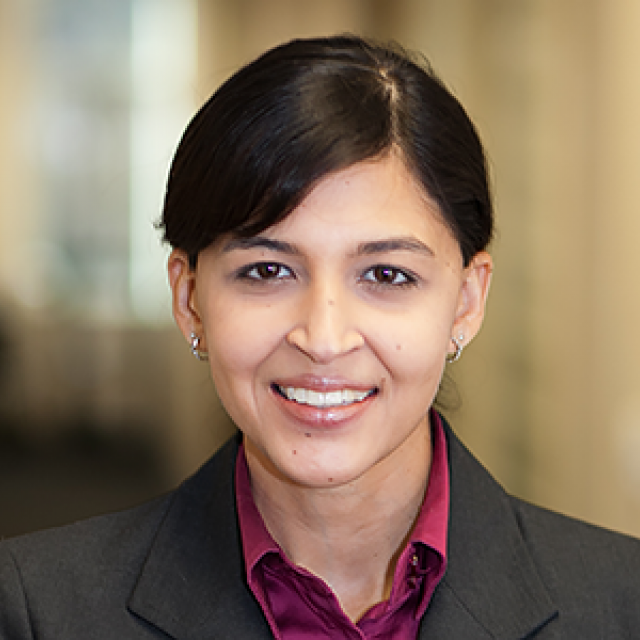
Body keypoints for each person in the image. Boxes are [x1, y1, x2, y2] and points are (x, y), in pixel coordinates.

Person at [1, 34, 640, 640]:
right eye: (268, 270)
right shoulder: (40, 611)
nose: (324, 338)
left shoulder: (621, 603)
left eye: (387, 274)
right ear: (190, 298)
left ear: (467, 302)